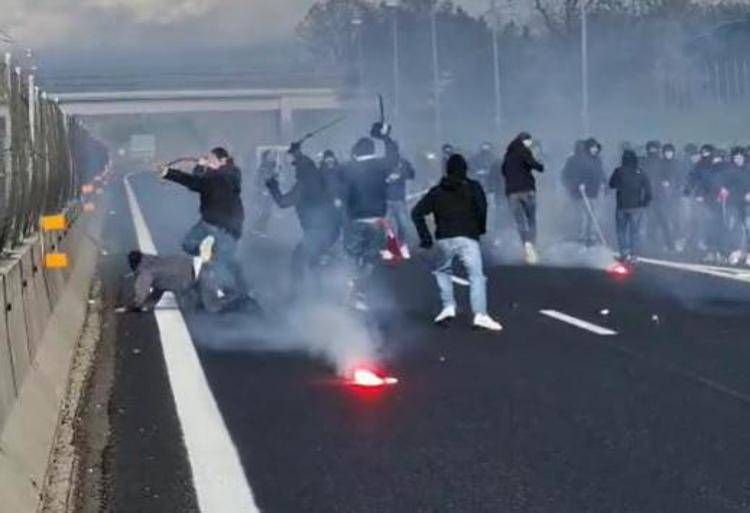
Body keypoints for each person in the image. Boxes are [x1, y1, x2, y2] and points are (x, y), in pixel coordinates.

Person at [411, 154, 502, 331]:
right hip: (468, 237)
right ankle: (480, 315)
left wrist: (426, 238)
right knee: (476, 276)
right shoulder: (473, 187)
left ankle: (448, 306)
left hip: (444, 238)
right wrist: (480, 229)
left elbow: (417, 213)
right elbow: (482, 208)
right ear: (465, 169)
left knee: (443, 271)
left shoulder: (437, 191)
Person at [161, 147, 247, 291]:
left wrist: (201, 168)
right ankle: (239, 288)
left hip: (221, 226)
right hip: (219, 225)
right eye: (208, 159)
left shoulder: (226, 174)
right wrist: (169, 173)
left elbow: (199, 180)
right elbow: (196, 182)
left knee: (222, 264)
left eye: (212, 159)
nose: (209, 162)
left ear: (223, 161)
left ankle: (232, 294)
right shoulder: (219, 176)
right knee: (192, 245)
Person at [266, 142, 341, 297]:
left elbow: (283, 202)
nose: (295, 172)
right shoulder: (320, 176)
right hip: (332, 230)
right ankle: (322, 291)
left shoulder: (304, 184)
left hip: (316, 232)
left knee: (298, 260)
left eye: (296, 169)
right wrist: (297, 153)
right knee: (314, 260)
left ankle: (298, 295)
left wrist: (272, 185)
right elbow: (305, 163)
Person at [339, 122, 400, 310]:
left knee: (351, 256)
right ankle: (360, 292)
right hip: (377, 220)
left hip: (355, 219)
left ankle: (350, 290)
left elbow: (340, 188)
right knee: (371, 258)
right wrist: (384, 136)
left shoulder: (348, 168)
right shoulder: (380, 166)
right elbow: (394, 156)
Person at [501, 132, 545, 264]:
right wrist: (540, 165)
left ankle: (526, 244)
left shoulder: (508, 155)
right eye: (529, 141)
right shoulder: (524, 152)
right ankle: (533, 245)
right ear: (524, 141)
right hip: (527, 190)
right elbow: (535, 165)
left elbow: (503, 171)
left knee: (520, 222)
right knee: (531, 219)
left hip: (512, 192)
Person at [609, 150, 652, 262]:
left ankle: (624, 253)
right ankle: (634, 255)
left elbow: (611, 184)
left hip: (621, 206)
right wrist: (646, 202)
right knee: (634, 232)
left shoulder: (618, 171)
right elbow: (648, 189)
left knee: (621, 231)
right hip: (636, 206)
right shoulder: (640, 172)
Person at [562, 138, 606, 246]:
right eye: (593, 147)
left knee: (594, 214)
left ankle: (591, 235)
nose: (595, 149)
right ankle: (582, 236)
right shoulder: (578, 160)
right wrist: (577, 185)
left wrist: (604, 183)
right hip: (582, 193)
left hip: (595, 191)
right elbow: (575, 174)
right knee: (584, 215)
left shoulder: (597, 160)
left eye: (596, 147)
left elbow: (601, 173)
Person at [386, 156, 417, 257]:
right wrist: (388, 179)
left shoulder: (403, 162)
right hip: (386, 200)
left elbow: (412, 175)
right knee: (387, 226)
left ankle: (401, 246)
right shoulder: (384, 163)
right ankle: (390, 248)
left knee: (403, 225)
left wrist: (402, 172)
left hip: (399, 200)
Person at [251, 150, 277, 235]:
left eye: (273, 155)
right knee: (263, 212)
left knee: (267, 213)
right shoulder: (263, 167)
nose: (273, 157)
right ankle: (257, 228)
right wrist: (262, 190)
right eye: (271, 155)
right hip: (264, 194)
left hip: (269, 194)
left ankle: (261, 229)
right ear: (266, 157)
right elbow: (258, 180)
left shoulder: (272, 166)